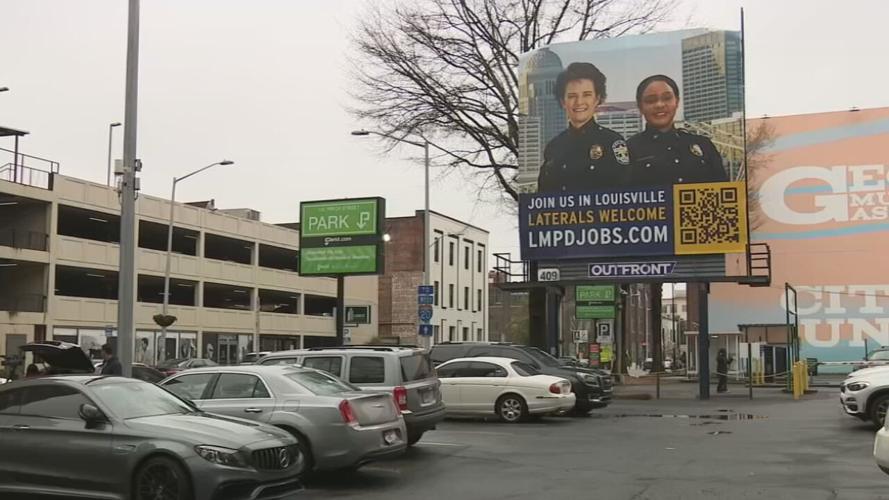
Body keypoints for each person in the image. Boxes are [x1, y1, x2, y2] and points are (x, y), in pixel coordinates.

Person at [536, 62, 630, 193]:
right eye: (572, 96)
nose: (579, 102)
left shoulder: (613, 142)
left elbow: (626, 192)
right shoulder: (554, 147)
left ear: (597, 99)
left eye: (586, 95)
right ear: (563, 102)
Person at [627, 74, 728, 186]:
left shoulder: (704, 145)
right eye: (651, 100)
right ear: (640, 107)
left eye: (667, 98)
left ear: (677, 102)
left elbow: (724, 191)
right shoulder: (629, 149)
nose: (660, 105)